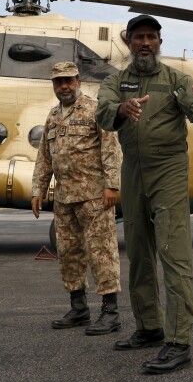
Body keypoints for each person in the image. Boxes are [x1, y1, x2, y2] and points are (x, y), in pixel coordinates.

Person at [96, 14, 193, 374]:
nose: (145, 43)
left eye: (151, 37)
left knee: (171, 250)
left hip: (169, 169)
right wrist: (121, 108)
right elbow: (102, 112)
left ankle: (179, 340)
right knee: (138, 250)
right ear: (129, 42)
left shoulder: (175, 79)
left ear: (159, 42)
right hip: (132, 169)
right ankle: (149, 326)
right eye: (139, 37)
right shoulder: (117, 81)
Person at [32, 61, 124, 336]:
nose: (64, 86)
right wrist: (38, 189)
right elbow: (44, 156)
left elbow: (111, 149)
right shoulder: (52, 116)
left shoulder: (95, 109)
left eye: (69, 80)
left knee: (102, 252)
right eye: (59, 82)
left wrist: (112, 186)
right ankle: (79, 307)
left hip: (94, 196)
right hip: (64, 198)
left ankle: (110, 312)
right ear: (53, 85)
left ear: (78, 81)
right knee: (69, 254)